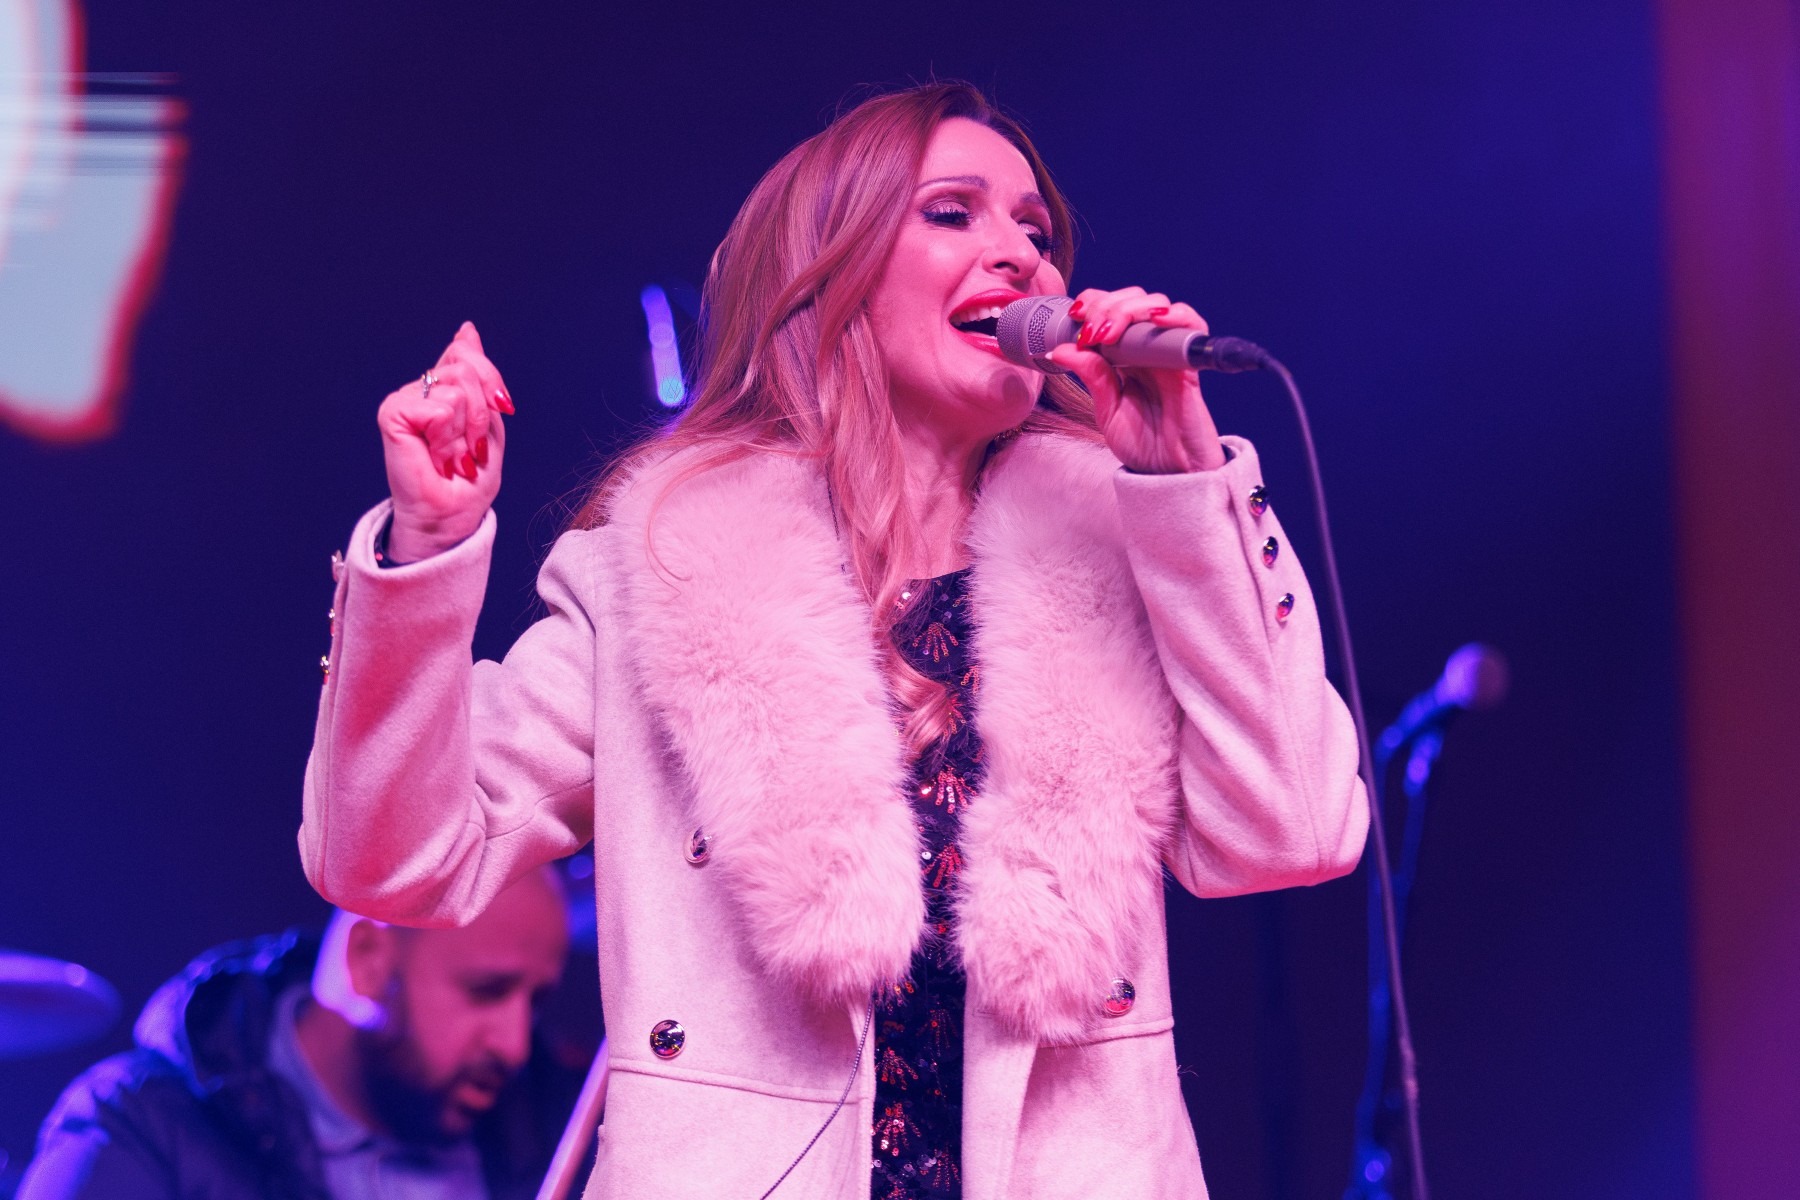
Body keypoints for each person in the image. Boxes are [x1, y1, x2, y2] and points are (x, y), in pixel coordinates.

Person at [301, 81, 1368, 1199]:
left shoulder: (1121, 553)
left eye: (1037, 231)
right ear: (828, 273)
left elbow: (1293, 831)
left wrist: (1186, 489)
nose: (1021, 256)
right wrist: (426, 550)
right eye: (953, 212)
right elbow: (390, 863)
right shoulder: (661, 571)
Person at [18, 869, 577, 1200]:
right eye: (486, 991)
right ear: (368, 960)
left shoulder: (559, 1129)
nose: (514, 1045)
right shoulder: (140, 1124)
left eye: (536, 1002)